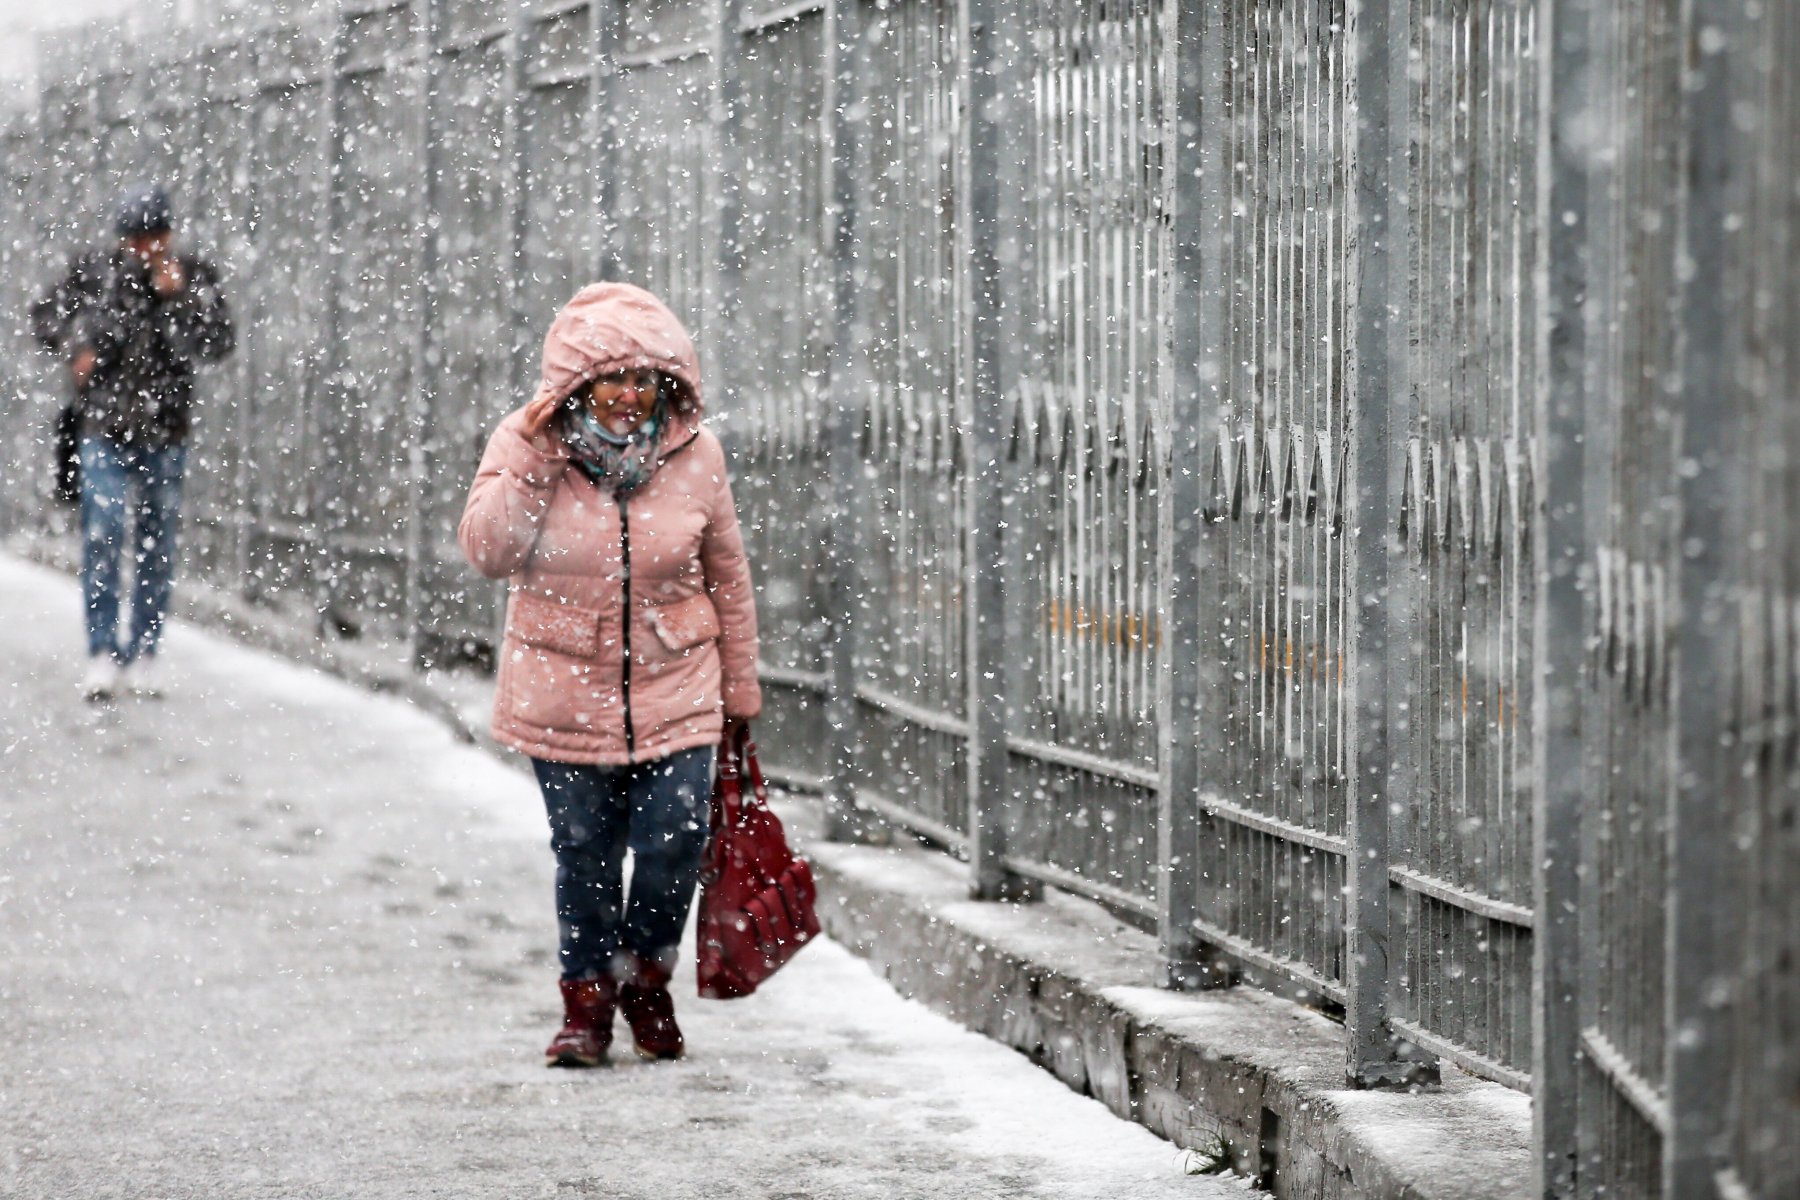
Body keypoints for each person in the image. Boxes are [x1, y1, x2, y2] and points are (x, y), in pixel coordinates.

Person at [459, 282, 761, 1067]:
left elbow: (727, 575)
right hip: (561, 686)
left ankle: (646, 981)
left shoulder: (697, 456)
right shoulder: (524, 445)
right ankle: (586, 1009)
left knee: (674, 841)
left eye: (645, 381)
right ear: (575, 385)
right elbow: (489, 551)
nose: (630, 397)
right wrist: (531, 458)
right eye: (612, 380)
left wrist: (740, 687)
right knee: (585, 852)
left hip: (679, 680)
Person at [30, 184, 235, 701]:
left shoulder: (191, 275)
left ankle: (144, 651)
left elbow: (218, 342)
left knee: (156, 542)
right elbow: (44, 317)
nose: (146, 249)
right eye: (137, 238)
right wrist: (79, 342)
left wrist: (182, 295)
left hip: (166, 431)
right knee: (103, 530)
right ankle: (101, 650)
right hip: (104, 428)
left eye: (155, 237)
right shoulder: (96, 275)